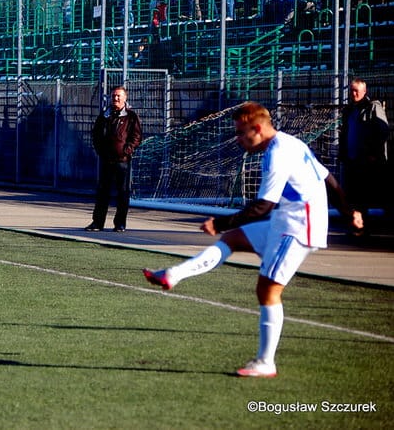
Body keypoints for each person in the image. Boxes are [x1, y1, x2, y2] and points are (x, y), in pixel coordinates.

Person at [143, 102, 363, 378]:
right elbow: (329, 179)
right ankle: (173, 275)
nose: (238, 139)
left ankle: (265, 362)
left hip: (298, 227)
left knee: (268, 290)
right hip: (284, 221)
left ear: (257, 129)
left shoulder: (277, 154)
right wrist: (350, 211)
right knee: (234, 239)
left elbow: (263, 206)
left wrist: (220, 222)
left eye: (241, 132)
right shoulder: (291, 143)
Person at [85, 86, 142, 232]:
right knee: (103, 192)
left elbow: (136, 137)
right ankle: (97, 223)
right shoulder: (105, 115)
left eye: (118, 96)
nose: (115, 98)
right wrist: (100, 151)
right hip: (106, 160)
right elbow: (96, 134)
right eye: (114, 96)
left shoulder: (131, 117)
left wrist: (126, 150)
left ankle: (120, 224)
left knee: (123, 193)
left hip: (122, 161)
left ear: (125, 98)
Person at [339, 78, 390, 227]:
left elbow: (383, 131)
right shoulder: (348, 110)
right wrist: (343, 154)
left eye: (356, 91)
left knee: (366, 195)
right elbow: (345, 133)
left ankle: (366, 226)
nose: (353, 94)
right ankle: (357, 224)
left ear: (364, 91)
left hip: (367, 160)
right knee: (353, 194)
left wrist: (374, 153)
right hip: (352, 159)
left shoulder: (373, 107)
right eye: (351, 91)